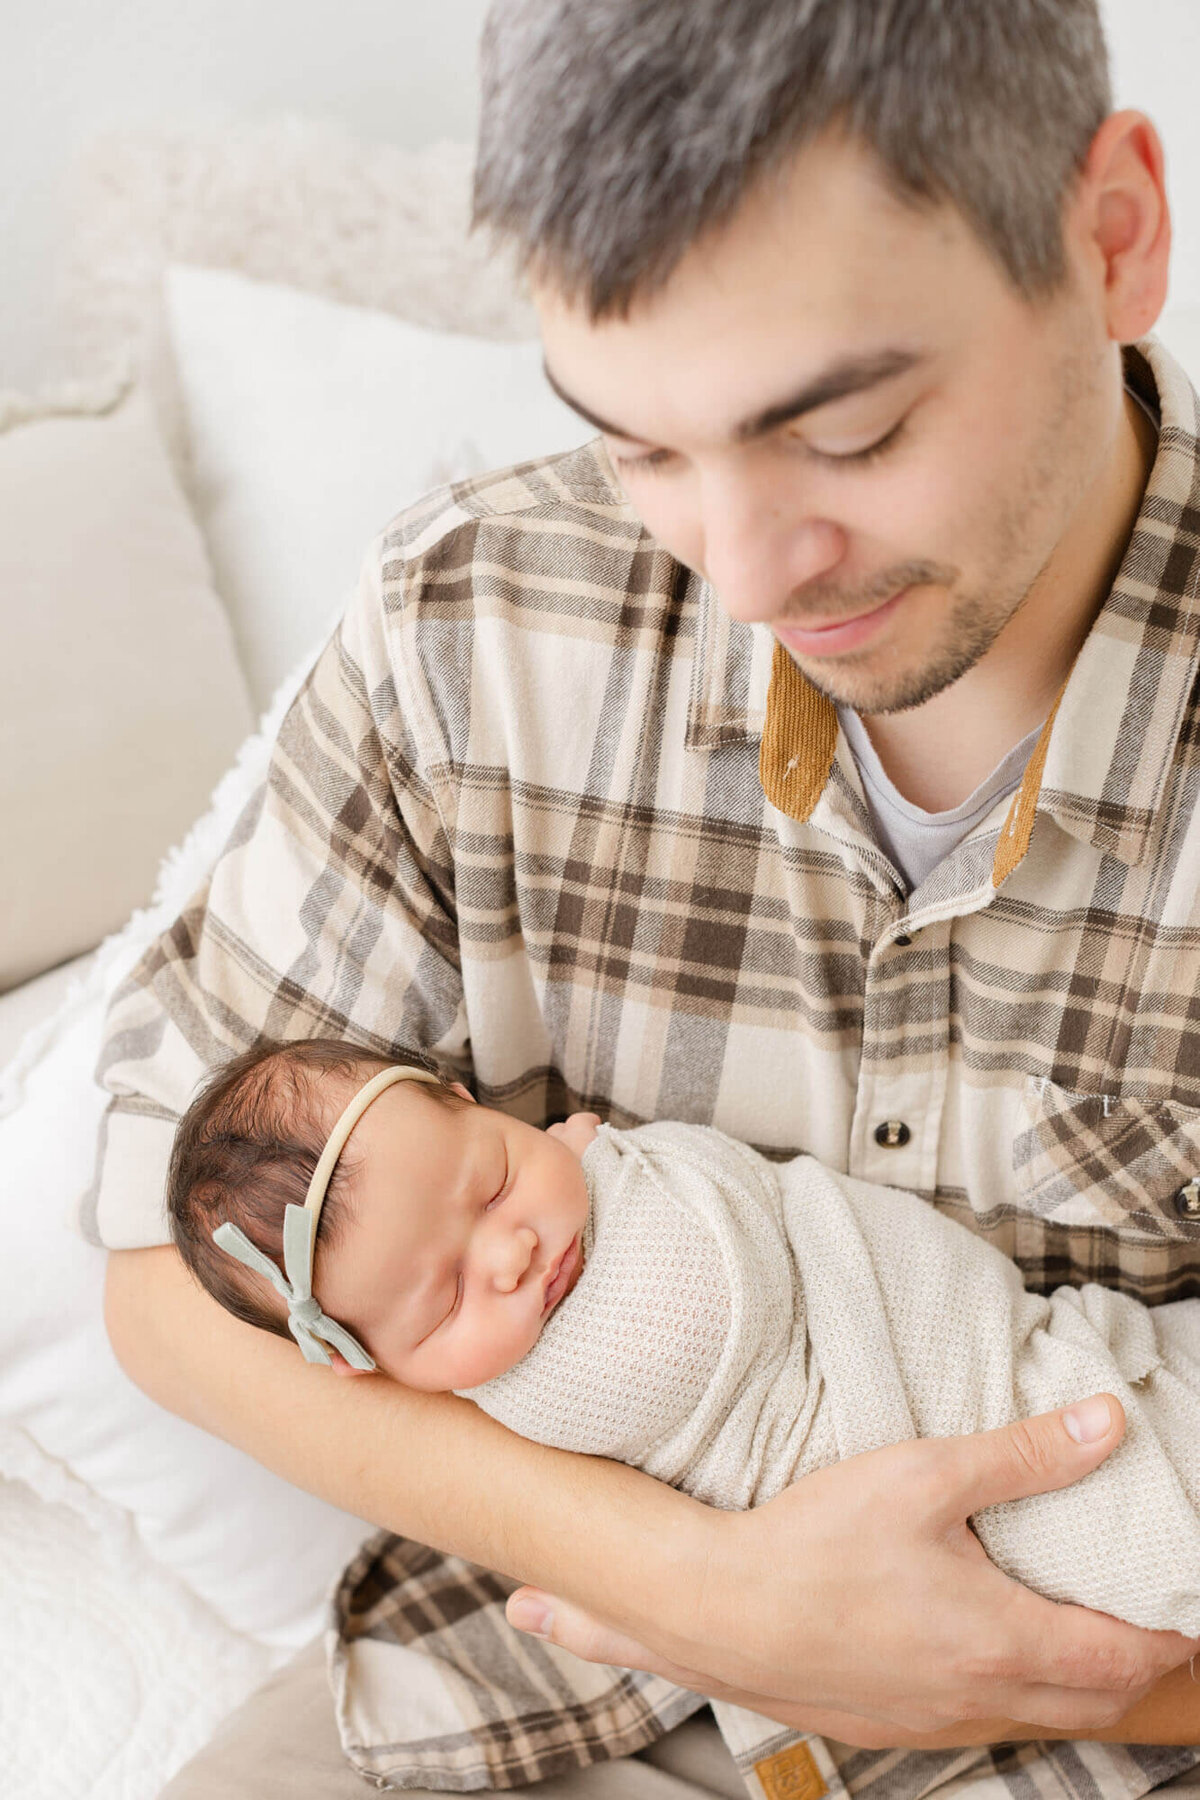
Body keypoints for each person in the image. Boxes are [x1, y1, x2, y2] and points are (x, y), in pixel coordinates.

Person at [96, 1, 1200, 1794]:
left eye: (845, 434)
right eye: (640, 447)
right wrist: (709, 1594)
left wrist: (995, 1670)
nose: (749, 572)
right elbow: (160, 1274)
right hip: (531, 1689)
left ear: (1115, 239)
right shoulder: (475, 622)